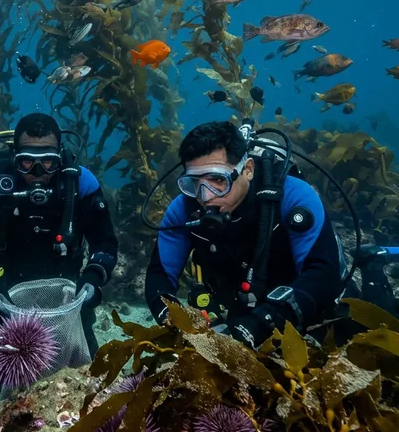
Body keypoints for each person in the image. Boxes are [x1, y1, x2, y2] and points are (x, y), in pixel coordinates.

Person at [144, 120, 345, 348]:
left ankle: (374, 272)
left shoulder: (294, 196)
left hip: (311, 315)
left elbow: (323, 274)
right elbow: (160, 273)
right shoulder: (183, 209)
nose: (206, 196)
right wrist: (171, 320)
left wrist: (260, 324)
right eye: (194, 182)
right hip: (240, 313)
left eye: (218, 180)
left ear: (247, 170)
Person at [0, 113, 118, 356]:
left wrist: (93, 277)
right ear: (14, 156)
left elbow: (105, 242)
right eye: (26, 162)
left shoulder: (82, 183)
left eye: (49, 161)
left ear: (60, 155)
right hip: (2, 295)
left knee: (84, 373)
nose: (38, 171)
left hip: (68, 299)